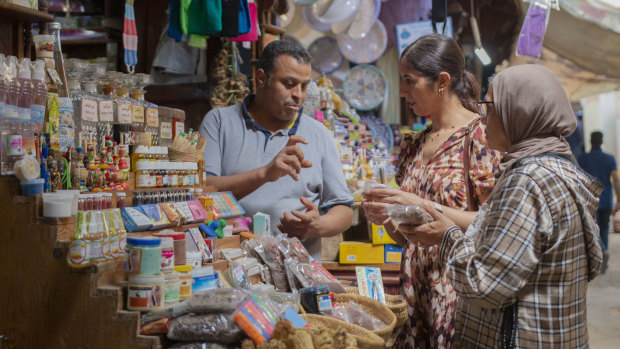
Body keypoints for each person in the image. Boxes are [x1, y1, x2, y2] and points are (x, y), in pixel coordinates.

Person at [401, 64, 603, 348]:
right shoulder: (563, 169)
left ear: (520, 112)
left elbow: (484, 285)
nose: (484, 119)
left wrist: (446, 236)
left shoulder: (527, 181)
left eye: (490, 107)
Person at [362, 34, 502, 348]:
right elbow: (410, 238)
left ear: (441, 81)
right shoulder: (414, 144)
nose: (402, 92)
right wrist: (386, 218)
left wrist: (421, 204)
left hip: (458, 293)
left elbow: (494, 226)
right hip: (414, 292)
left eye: (409, 81)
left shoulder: (480, 137)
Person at [199, 40, 353, 261]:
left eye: (304, 85)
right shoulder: (219, 122)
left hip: (297, 275)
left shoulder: (319, 134)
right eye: (289, 84)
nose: (298, 95)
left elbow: (344, 210)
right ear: (262, 78)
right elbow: (200, 192)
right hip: (230, 268)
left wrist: (315, 226)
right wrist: (264, 174)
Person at [578, 131, 620, 272]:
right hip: (606, 199)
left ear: (590, 141)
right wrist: (619, 199)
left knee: (591, 228)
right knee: (605, 228)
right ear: (602, 142)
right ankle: (604, 253)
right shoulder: (610, 159)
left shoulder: (582, 159)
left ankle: (600, 254)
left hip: (589, 200)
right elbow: (616, 180)